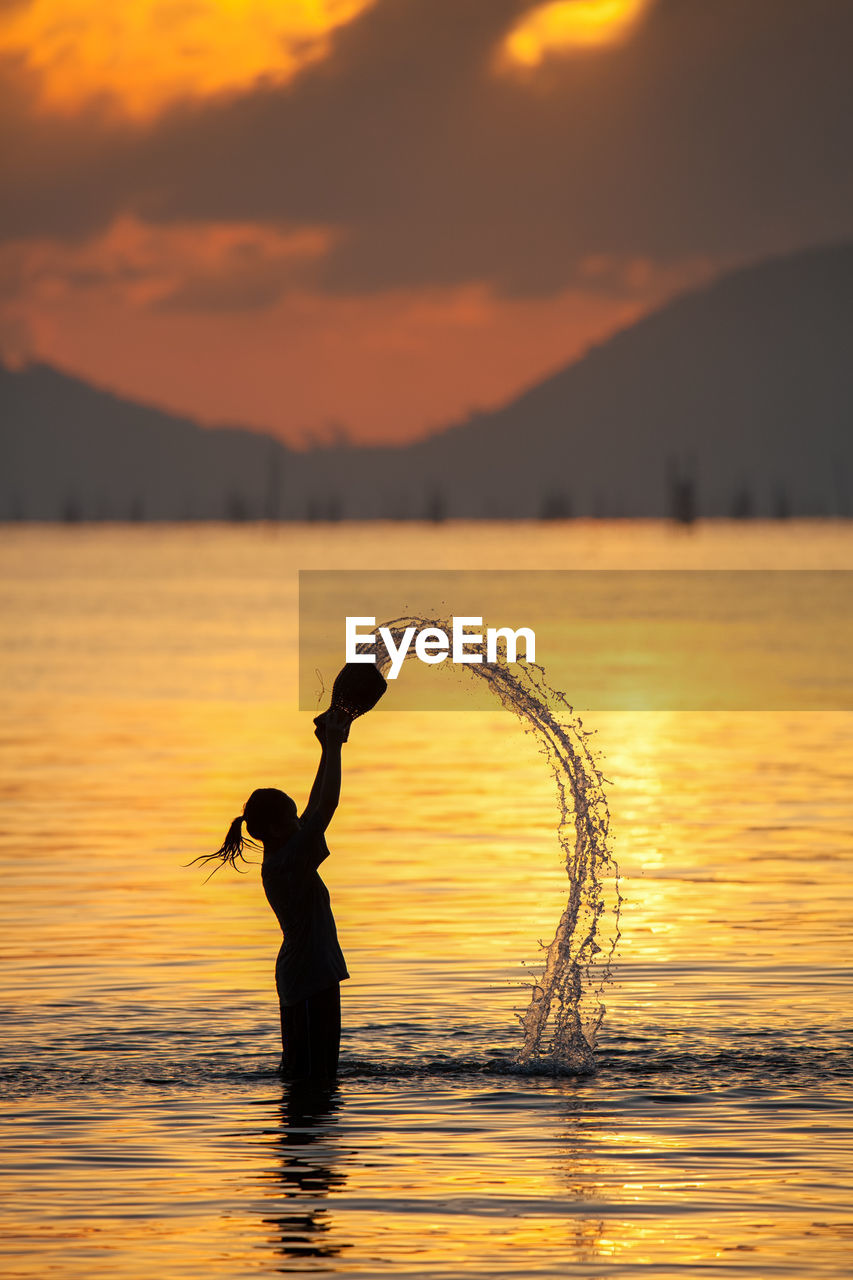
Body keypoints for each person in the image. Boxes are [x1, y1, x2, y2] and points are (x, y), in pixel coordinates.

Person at [201, 708, 351, 1083]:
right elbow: (326, 807)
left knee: (313, 1071)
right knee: (312, 1074)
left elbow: (315, 807)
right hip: (309, 973)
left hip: (310, 970)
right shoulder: (288, 863)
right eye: (291, 818)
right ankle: (304, 1138)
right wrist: (333, 746)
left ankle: (304, 1133)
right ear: (271, 829)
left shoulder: (285, 854)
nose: (299, 821)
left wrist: (325, 749)